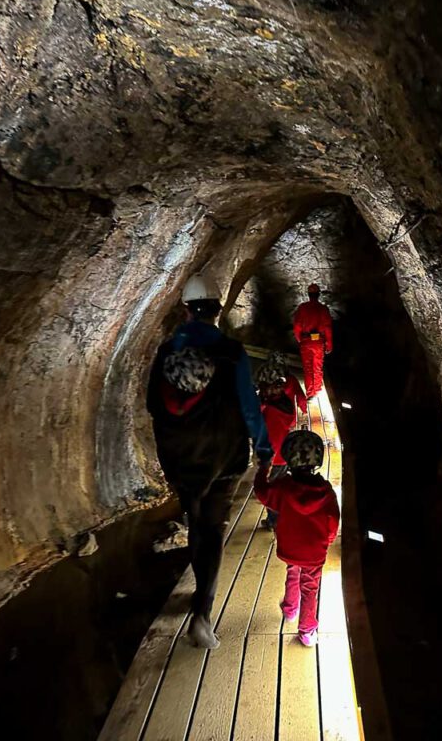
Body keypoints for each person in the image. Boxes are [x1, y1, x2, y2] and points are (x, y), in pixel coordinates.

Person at [146, 273, 274, 649]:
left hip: (181, 458)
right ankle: (202, 611)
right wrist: (264, 450)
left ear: (186, 310)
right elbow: (250, 409)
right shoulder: (233, 352)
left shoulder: (167, 351)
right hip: (225, 456)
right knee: (213, 527)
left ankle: (198, 590)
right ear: (217, 311)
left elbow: (154, 405)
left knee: (195, 520)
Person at [253, 430, 339, 647]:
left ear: (288, 458)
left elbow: (262, 492)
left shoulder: (283, 487)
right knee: (310, 587)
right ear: (317, 458)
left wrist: (263, 469)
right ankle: (307, 631)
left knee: (293, 570)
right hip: (314, 551)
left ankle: (291, 609)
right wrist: (326, 541)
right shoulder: (326, 492)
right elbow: (333, 521)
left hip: (290, 546)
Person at [257, 351, 308, 530]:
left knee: (271, 492)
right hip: (285, 453)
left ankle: (274, 520)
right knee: (280, 487)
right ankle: (280, 516)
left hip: (274, 457)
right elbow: (299, 397)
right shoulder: (283, 401)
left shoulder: (268, 409)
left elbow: (258, 422)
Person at [292, 283, 333, 399]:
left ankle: (310, 393)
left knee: (308, 368)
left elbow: (296, 326)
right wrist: (329, 344)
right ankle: (317, 390)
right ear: (318, 295)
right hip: (318, 342)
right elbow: (327, 327)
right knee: (317, 367)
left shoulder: (302, 308)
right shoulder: (323, 309)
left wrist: (300, 340)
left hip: (306, 341)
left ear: (309, 295)